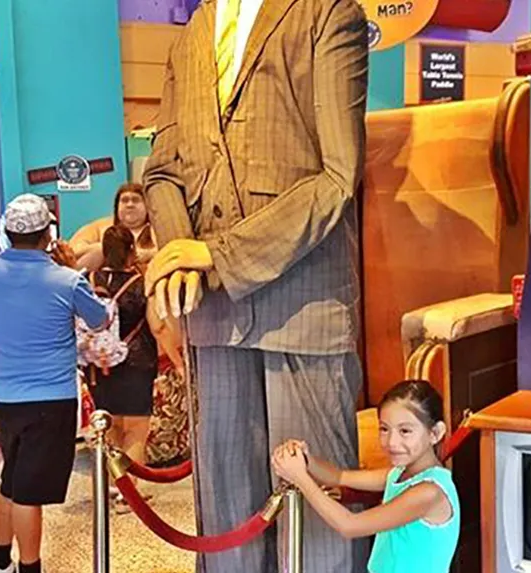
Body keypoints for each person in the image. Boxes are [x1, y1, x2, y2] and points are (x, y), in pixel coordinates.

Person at [141, 0, 369, 570]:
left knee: (316, 521)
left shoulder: (327, 13)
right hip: (213, 316)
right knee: (226, 515)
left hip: (304, 307)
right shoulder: (192, 34)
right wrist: (177, 256)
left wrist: (215, 255)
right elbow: (163, 170)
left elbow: (339, 176)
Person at [0, 193, 109, 573]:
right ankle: (30, 568)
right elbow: (100, 319)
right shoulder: (65, 281)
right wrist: (74, 271)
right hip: (51, 400)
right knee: (28, 494)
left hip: (4, 397)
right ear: (48, 233)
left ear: (7, 231)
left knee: (12, 480)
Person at [272, 380, 460, 573]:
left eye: (405, 431)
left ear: (435, 433)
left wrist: (300, 478)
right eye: (384, 429)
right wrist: (305, 459)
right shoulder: (398, 474)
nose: (392, 442)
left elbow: (349, 525)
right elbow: (339, 477)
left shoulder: (429, 492)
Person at [77, 225, 159, 513]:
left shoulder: (89, 280)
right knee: (136, 429)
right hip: (137, 361)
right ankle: (129, 494)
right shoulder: (141, 283)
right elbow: (157, 325)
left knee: (107, 426)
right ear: (132, 250)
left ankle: (110, 486)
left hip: (99, 365)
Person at [72, 183, 157, 272]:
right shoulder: (100, 227)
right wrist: (107, 249)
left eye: (136, 200)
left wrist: (149, 254)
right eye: (124, 200)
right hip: (101, 280)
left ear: (147, 206)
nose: (130, 205)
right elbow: (75, 249)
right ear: (117, 207)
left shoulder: (157, 230)